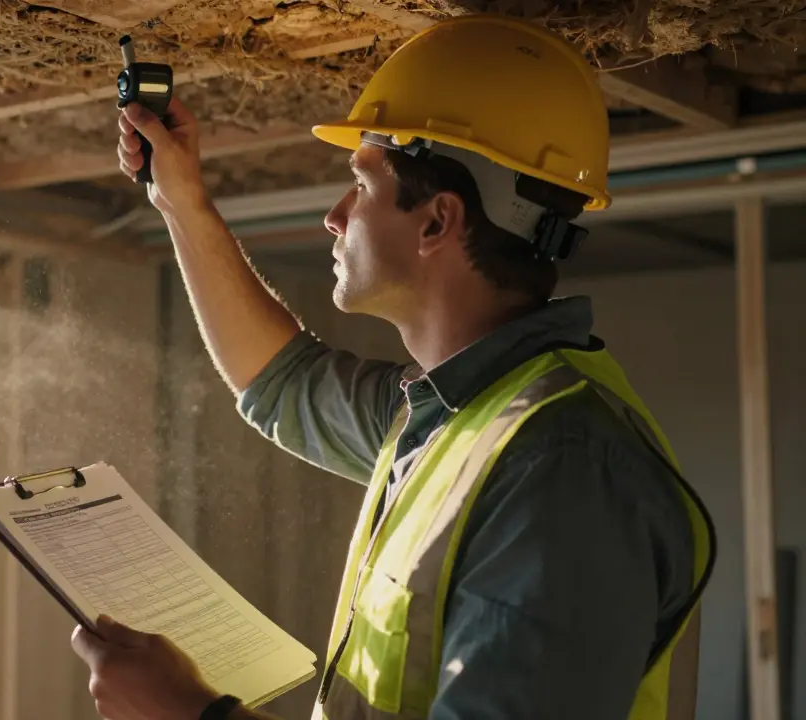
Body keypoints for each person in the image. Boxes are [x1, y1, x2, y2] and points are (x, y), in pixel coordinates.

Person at [71, 14, 716, 720]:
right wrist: (179, 201)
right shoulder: (448, 417)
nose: (334, 215)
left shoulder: (561, 471)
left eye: (361, 184)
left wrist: (190, 712)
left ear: (437, 222)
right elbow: (280, 383)